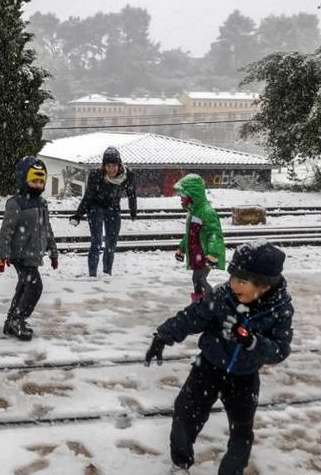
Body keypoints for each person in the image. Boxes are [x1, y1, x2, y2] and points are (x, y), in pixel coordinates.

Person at [144, 241, 293, 475]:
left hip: (244, 377)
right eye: (233, 277)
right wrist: (163, 335)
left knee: (242, 432)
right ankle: (181, 463)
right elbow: (192, 317)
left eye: (242, 281)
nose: (233, 285)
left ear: (264, 286)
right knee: (184, 414)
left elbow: (280, 349)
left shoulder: (279, 308)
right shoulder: (223, 296)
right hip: (208, 367)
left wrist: (252, 342)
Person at [0, 156, 58, 341]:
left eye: (41, 181)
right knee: (34, 287)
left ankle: (12, 320)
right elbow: (6, 232)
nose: (38, 184)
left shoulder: (42, 203)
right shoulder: (15, 203)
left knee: (24, 286)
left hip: (34, 254)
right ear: (23, 179)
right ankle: (18, 319)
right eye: (33, 180)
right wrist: (1, 256)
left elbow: (47, 229)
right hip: (20, 255)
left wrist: (53, 252)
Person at [69, 146, 137, 277]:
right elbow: (88, 196)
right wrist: (78, 215)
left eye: (114, 165)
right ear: (104, 166)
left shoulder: (128, 175)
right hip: (96, 207)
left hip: (113, 207)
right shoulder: (96, 175)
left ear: (119, 164)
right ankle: (92, 274)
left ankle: (107, 273)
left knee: (111, 243)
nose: (111, 169)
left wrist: (133, 210)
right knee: (97, 242)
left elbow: (132, 193)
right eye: (108, 166)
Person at [173, 174, 225, 302]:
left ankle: (213, 303)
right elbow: (191, 234)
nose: (180, 198)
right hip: (197, 253)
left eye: (183, 195)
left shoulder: (207, 212)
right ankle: (199, 303)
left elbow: (215, 234)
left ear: (193, 194)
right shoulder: (193, 211)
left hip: (205, 254)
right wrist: (181, 249)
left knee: (200, 279)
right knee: (196, 280)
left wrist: (213, 254)